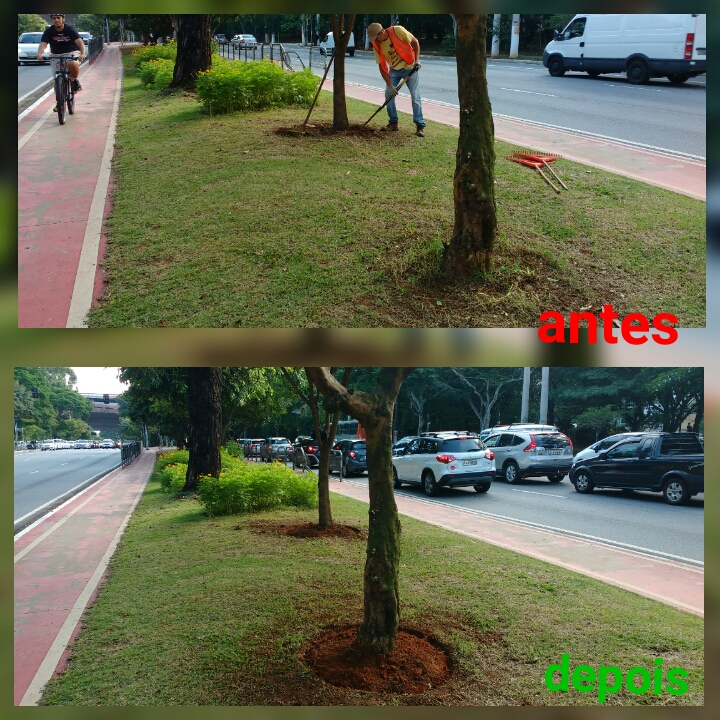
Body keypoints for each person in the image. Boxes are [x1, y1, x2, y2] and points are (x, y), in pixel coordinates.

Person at [367, 22, 426, 137]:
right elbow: (381, 66)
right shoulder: (376, 44)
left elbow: (415, 42)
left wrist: (417, 60)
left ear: (381, 32)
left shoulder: (397, 31)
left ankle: (420, 125)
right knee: (388, 95)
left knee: (415, 96)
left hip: (410, 67)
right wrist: (390, 85)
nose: (375, 40)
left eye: (376, 37)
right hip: (394, 70)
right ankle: (393, 123)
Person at [36, 14, 86, 112]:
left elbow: (79, 41)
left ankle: (75, 80)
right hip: (56, 54)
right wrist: (39, 53)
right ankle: (59, 102)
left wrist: (83, 53)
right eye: (54, 18)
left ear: (63, 19)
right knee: (57, 79)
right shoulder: (49, 31)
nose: (56, 20)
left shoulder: (69, 29)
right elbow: (43, 43)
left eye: (58, 18)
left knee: (72, 63)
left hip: (71, 52)